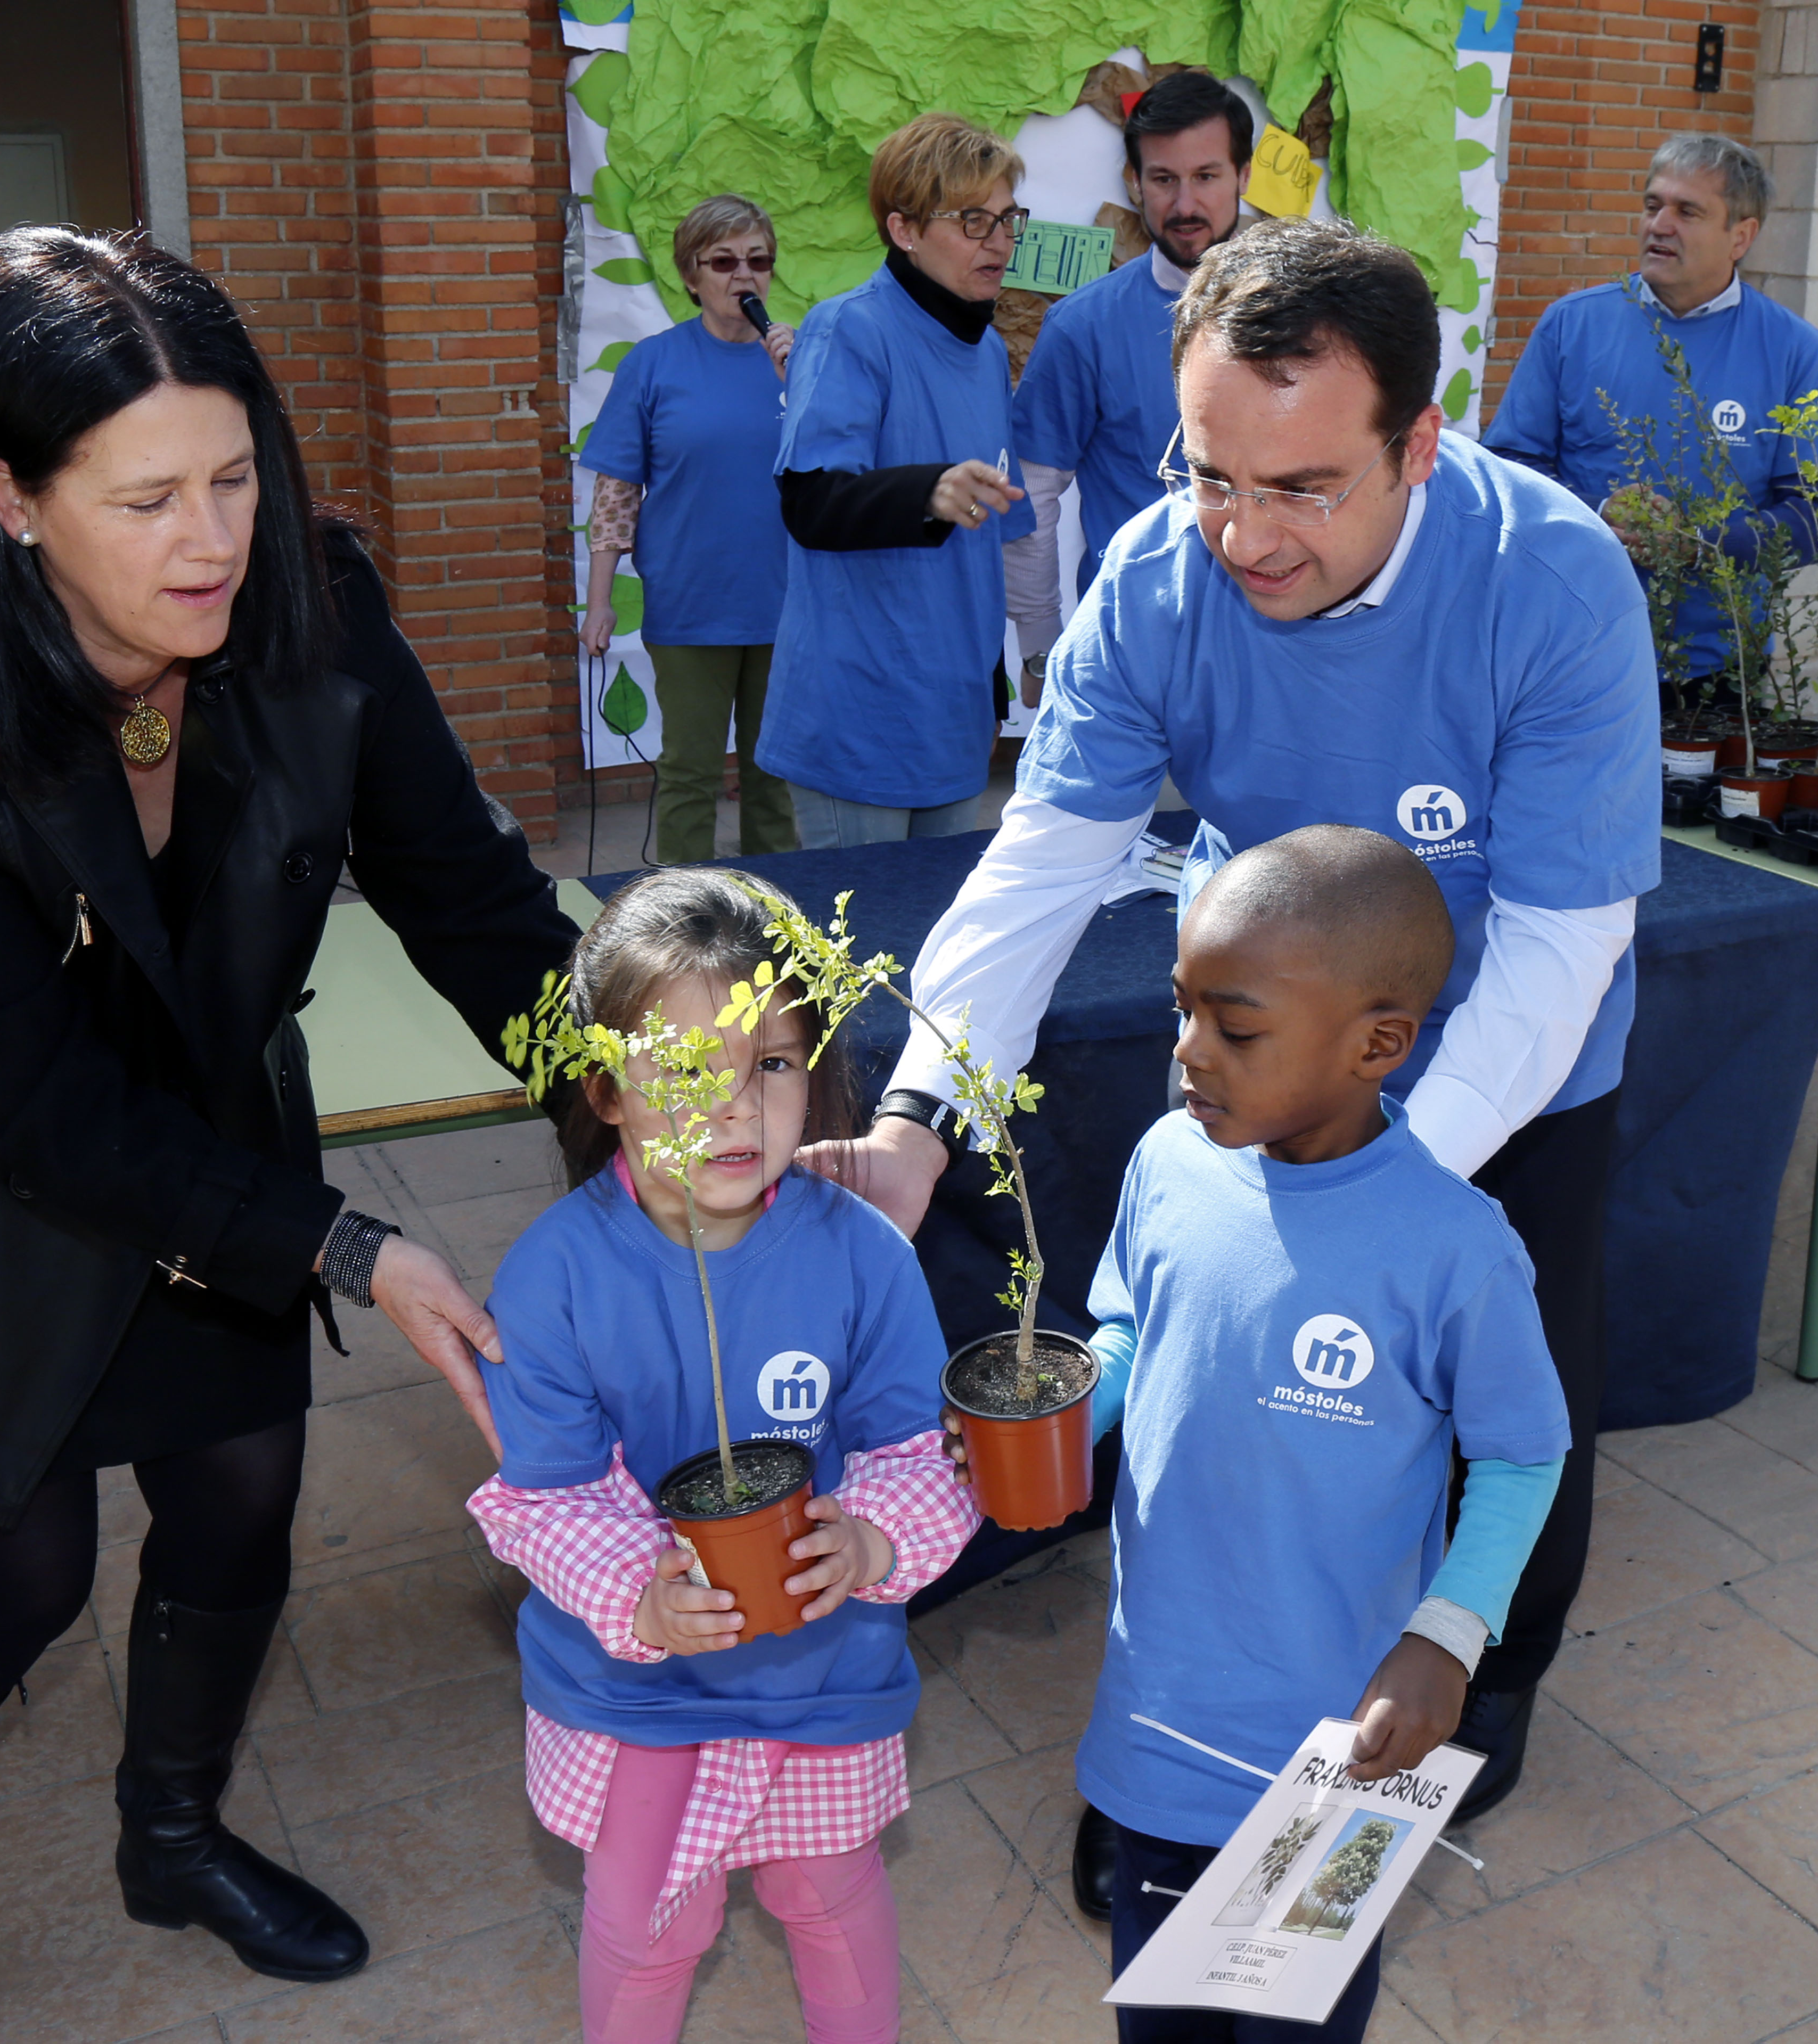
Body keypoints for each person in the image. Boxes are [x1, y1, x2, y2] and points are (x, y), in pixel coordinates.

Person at [0, 227, 585, 2040]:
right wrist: (353, 1245)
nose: (213, 540)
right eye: (148, 497)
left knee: (243, 1489)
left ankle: (169, 1833)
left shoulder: (310, 614)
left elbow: (479, 908)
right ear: (13, 500)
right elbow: (25, 1104)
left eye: (238, 476)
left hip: (198, 1132)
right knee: (16, 1566)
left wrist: (653, 1098)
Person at [808, 216, 1657, 1916]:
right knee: (1214, 1429)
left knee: (1506, 1417)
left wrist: (1394, 1179)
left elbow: (1564, 942)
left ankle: (1472, 1692)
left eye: (1306, 488)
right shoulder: (1154, 575)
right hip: (1259, 1067)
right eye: (1211, 474)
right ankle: (1181, 1784)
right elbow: (1043, 864)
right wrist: (914, 1114)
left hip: (1501, 1083)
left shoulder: (1551, 581)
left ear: (1422, 442)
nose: (1246, 536)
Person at [942, 828, 1566, 2044]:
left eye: (1235, 1026)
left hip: (1341, 1750)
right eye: (1182, 1012)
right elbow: (1128, 1333)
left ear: (1374, 1043)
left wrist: (1446, 1636)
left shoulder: (1454, 1245)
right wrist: (1062, 1413)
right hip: (1162, 1718)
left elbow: (1521, 1452)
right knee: (1165, 2017)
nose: (1186, 1050)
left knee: (1292, 2022)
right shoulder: (1168, 1161)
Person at [466, 867, 979, 2044]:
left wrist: (871, 1535)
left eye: (773, 1063)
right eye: (682, 1071)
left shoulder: (862, 1255)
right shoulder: (553, 1274)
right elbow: (546, 1493)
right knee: (652, 1922)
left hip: (821, 1662)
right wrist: (640, 1596)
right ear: (604, 1087)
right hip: (634, 1687)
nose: (735, 1108)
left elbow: (918, 1448)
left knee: (828, 1891)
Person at [1485, 133, 1818, 707]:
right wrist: (1600, 515)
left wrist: (1695, 543)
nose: (1659, 224)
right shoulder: (1571, 326)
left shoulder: (1792, 349)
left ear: (1742, 236)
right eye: (1652, 204)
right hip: (1572, 646)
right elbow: (1508, 469)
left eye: (1687, 211)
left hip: (1719, 665)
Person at [756, 112, 1031, 849]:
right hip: (860, 721)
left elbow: (992, 545)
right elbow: (812, 504)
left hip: (954, 719)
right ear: (904, 229)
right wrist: (926, 490)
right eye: (975, 220)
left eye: (1009, 219)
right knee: (864, 962)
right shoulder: (848, 329)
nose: (1000, 240)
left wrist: (1002, 680)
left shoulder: (986, 349)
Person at [1003, 70, 1253, 697]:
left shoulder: (1310, 316)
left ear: (1243, 177)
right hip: (1136, 662)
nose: (1185, 204)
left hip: (1282, 659)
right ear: (1134, 184)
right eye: (1164, 180)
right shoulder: (1082, 326)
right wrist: (1039, 646)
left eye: (1206, 176)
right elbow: (1031, 495)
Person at [580, 194, 800, 866]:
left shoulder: (803, 361)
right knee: (690, 770)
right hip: (691, 600)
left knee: (775, 774)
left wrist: (799, 382)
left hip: (786, 601)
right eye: (725, 261)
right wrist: (597, 603)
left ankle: (780, 914)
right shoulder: (653, 364)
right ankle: (680, 921)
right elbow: (617, 492)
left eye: (758, 261)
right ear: (691, 274)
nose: (745, 276)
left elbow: (837, 468)